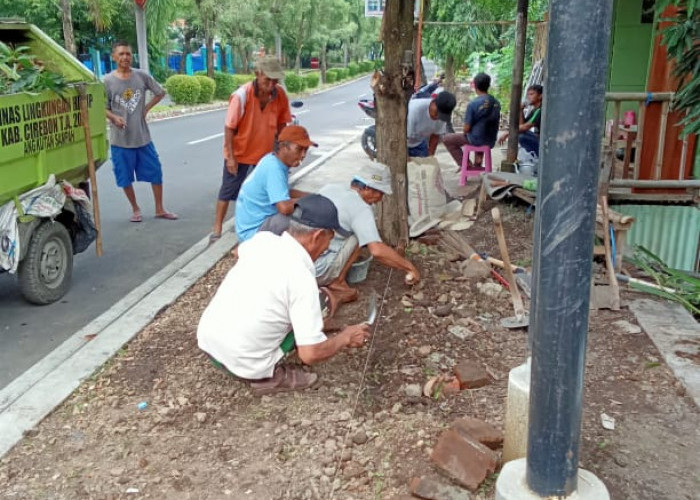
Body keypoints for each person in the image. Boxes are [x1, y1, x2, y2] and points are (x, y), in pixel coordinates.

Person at [197, 195, 370, 395]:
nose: (326, 249)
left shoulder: (264, 240)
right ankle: (270, 377)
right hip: (245, 364)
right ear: (317, 236)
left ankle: (299, 332)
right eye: (329, 240)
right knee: (323, 301)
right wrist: (345, 337)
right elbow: (310, 354)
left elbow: (238, 253)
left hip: (210, 345)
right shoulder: (301, 279)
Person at [261, 162, 421, 306]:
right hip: (315, 270)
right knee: (360, 235)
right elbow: (377, 250)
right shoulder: (361, 209)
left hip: (288, 262)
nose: (380, 199)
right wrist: (409, 267)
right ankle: (337, 281)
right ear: (367, 188)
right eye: (380, 193)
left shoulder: (331, 188)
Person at [210, 55, 292, 242]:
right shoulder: (242, 95)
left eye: (275, 80)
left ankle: (258, 223)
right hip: (240, 152)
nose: (271, 85)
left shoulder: (280, 95)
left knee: (267, 191)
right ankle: (217, 227)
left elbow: (282, 126)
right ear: (257, 74)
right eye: (267, 80)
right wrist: (230, 157)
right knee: (227, 190)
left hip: (265, 153)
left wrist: (282, 153)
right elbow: (229, 127)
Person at [104, 41, 177, 222]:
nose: (125, 57)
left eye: (128, 54)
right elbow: (101, 107)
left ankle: (160, 208)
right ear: (114, 57)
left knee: (156, 172)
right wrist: (113, 118)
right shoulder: (107, 81)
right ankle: (135, 209)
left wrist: (146, 109)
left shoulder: (141, 76)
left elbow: (160, 92)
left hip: (143, 138)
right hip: (120, 141)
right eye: (121, 54)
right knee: (124, 177)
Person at [234, 125, 315, 243]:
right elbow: (285, 208)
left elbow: (284, 191)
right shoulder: (274, 168)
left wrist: (312, 196)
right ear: (283, 147)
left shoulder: (273, 160)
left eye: (306, 150)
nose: (303, 155)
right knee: (304, 216)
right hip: (253, 232)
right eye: (299, 149)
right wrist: (310, 201)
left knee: (307, 208)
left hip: (251, 225)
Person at [443, 73, 501, 168]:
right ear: (488, 85)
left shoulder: (473, 104)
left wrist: (466, 132)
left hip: (476, 139)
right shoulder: (496, 103)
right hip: (491, 141)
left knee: (447, 139)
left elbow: (466, 128)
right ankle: (478, 162)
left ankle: (466, 165)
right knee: (479, 129)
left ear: (475, 85)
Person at [406, 91, 457, 157]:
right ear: (433, 102)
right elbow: (403, 138)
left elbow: (435, 136)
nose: (438, 117)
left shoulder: (443, 116)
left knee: (427, 165)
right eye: (437, 113)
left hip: (418, 143)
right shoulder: (414, 110)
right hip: (402, 143)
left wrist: (430, 157)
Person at [498, 84, 543, 155]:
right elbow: (522, 125)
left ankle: (536, 157)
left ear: (540, 96)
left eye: (531, 94)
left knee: (521, 136)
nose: (528, 97)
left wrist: (507, 133)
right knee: (519, 133)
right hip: (539, 139)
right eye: (528, 95)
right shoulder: (535, 110)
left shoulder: (540, 110)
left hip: (543, 142)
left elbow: (525, 127)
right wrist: (520, 109)